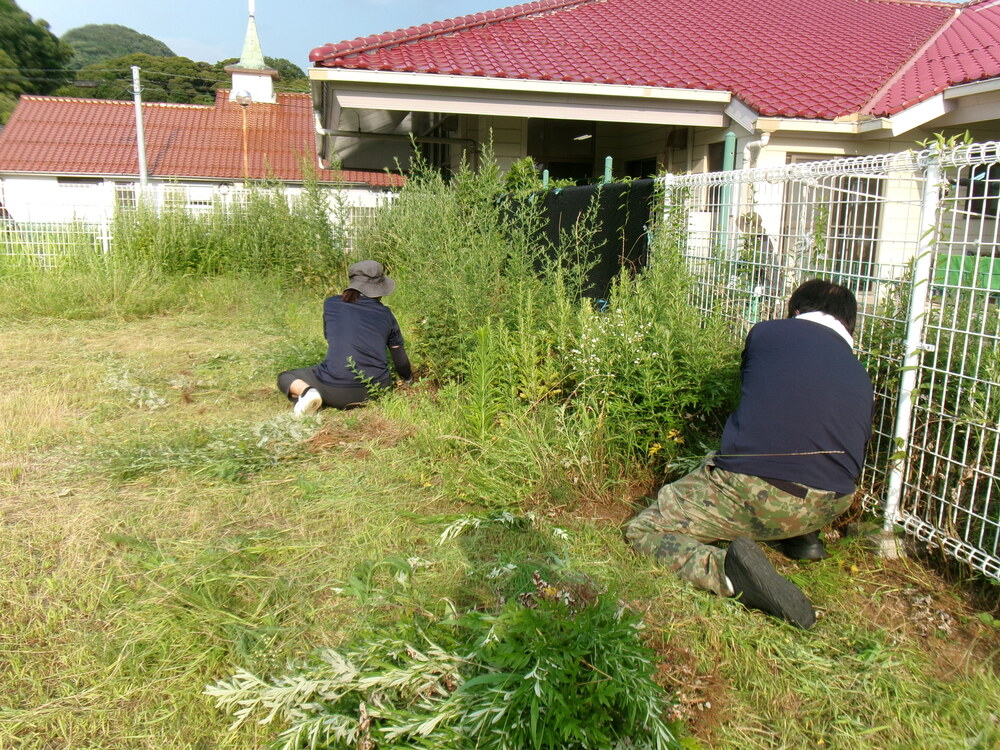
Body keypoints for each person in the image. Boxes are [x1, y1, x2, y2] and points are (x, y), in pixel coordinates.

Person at [626, 279, 874, 628]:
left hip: (760, 490)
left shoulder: (768, 334)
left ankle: (728, 573)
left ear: (796, 311)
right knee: (803, 444)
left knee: (645, 530)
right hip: (832, 502)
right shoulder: (860, 374)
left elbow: (754, 389)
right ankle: (803, 541)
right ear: (849, 326)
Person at [277, 260, 412, 416]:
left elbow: (330, 338)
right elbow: (400, 361)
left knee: (285, 377)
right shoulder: (386, 314)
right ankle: (312, 395)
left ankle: (308, 392)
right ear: (378, 288)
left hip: (334, 392)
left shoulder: (331, 304)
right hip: (376, 390)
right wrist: (408, 379)